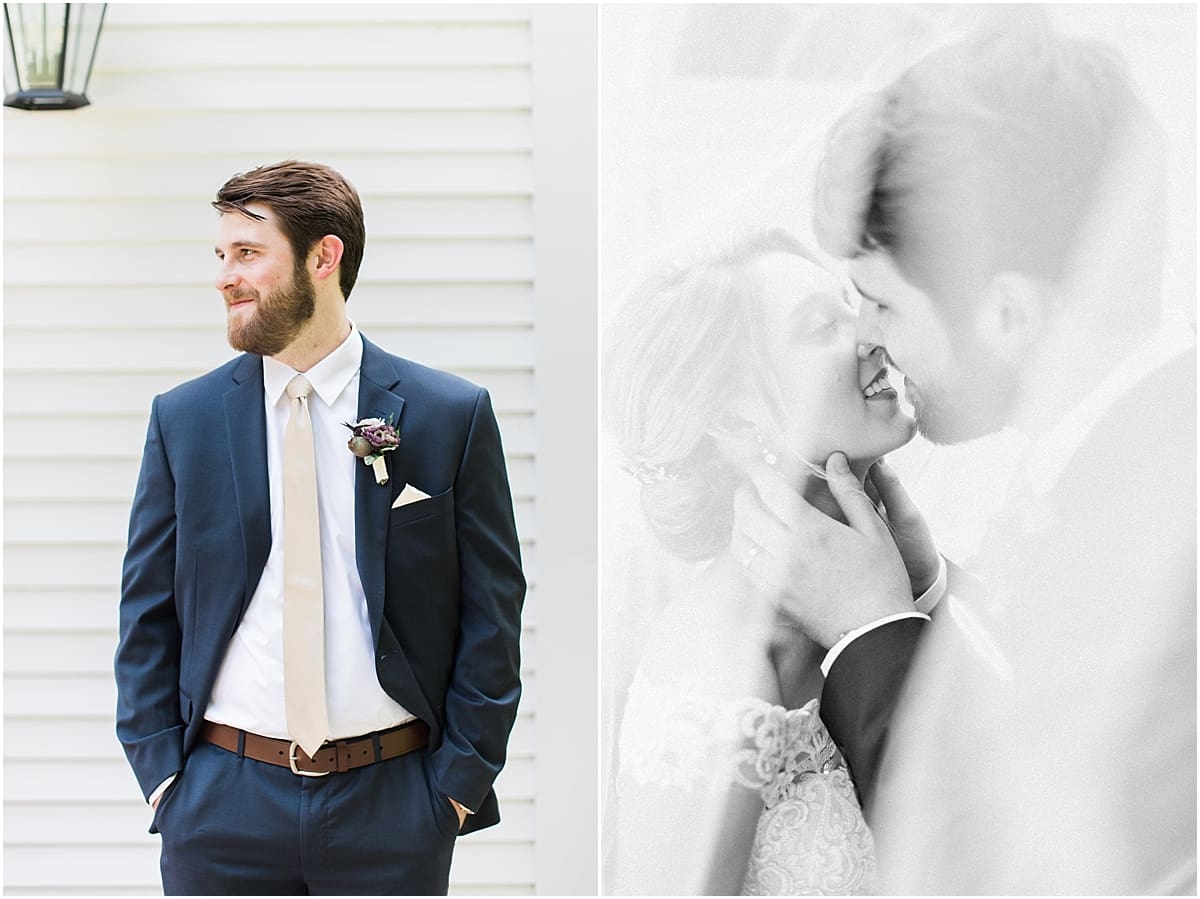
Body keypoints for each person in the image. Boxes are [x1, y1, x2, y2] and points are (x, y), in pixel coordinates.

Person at [735, 27, 1196, 893]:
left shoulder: (1168, 521)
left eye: (880, 303)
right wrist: (927, 597)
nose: (865, 338)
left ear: (1009, 315)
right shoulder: (1129, 454)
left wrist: (870, 634)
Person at [114, 160, 526, 895]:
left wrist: (453, 790)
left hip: (394, 806)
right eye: (221, 256)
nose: (224, 277)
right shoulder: (184, 422)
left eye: (248, 253)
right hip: (220, 805)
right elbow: (145, 615)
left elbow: (491, 615)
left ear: (323, 257)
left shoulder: (447, 415)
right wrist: (163, 779)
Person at [602, 229, 945, 894]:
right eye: (823, 324)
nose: (873, 332)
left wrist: (926, 593)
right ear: (737, 419)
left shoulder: (891, 581)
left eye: (855, 304)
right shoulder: (715, 655)